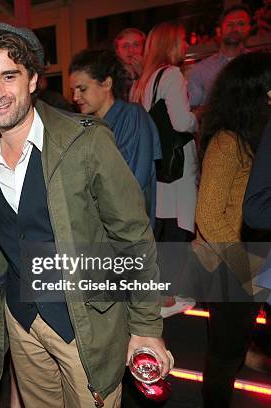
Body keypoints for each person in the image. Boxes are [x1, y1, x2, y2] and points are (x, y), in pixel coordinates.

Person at [0, 22, 171, 407]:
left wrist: (145, 326)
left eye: (9, 76)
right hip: (22, 321)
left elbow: (134, 237)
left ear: (34, 79)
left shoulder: (87, 139)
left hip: (85, 321)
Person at [195, 51, 271, 408]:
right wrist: (245, 270)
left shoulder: (257, 139)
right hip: (230, 265)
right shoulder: (228, 142)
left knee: (238, 344)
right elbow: (209, 217)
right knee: (224, 355)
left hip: (255, 260)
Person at [131, 21, 198, 318]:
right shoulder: (172, 75)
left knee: (159, 226)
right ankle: (167, 297)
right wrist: (198, 118)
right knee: (178, 226)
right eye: (182, 41)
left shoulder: (140, 83)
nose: (185, 47)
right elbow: (182, 123)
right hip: (178, 164)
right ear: (172, 44)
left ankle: (154, 290)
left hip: (155, 165)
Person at [69, 48, 161, 224]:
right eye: (73, 90)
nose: (75, 97)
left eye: (82, 89)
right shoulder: (88, 125)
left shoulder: (133, 116)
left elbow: (131, 180)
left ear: (106, 84)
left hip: (129, 230)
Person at [187, 5, 252, 109]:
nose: (235, 28)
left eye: (241, 24)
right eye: (230, 24)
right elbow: (192, 109)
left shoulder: (258, 65)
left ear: (248, 29)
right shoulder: (200, 69)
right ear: (219, 31)